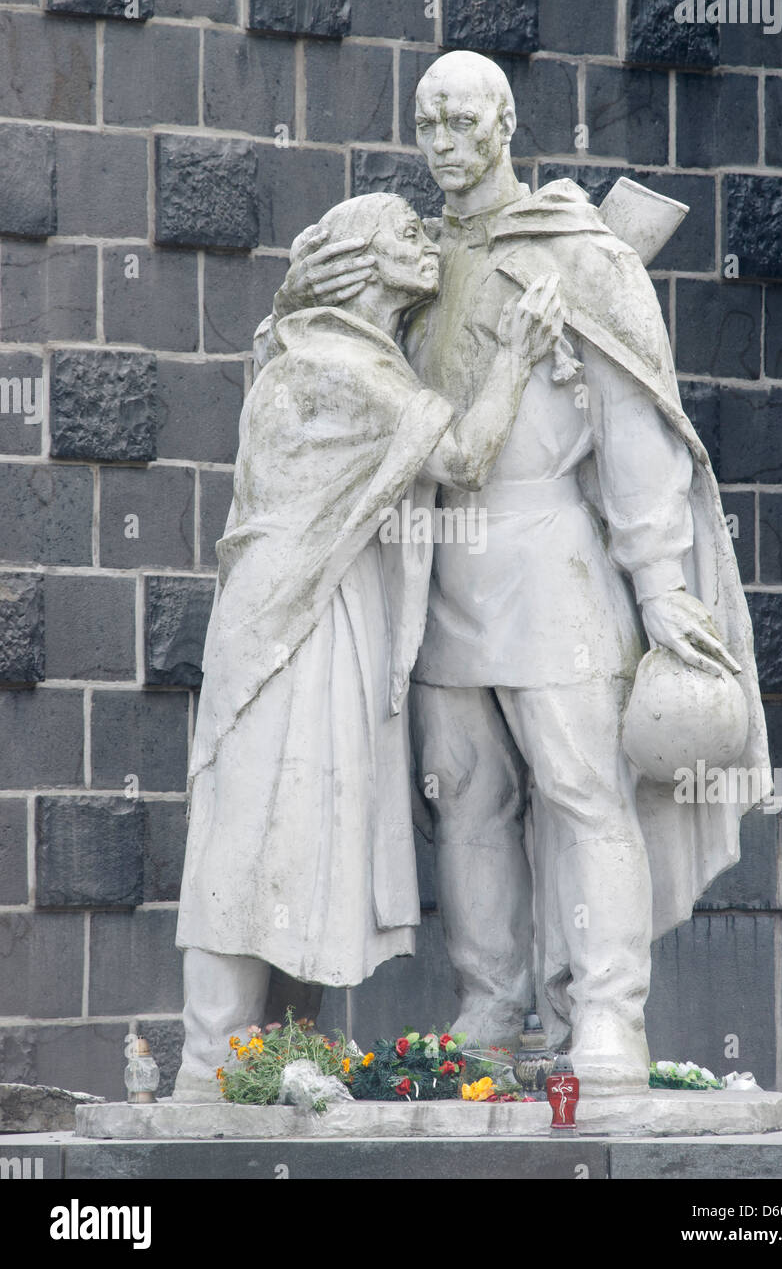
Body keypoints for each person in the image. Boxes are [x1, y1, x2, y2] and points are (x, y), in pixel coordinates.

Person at [273, 52, 771, 1093]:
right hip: (438, 557)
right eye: (426, 125)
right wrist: (298, 285)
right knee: (464, 794)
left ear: (504, 124)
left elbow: (636, 431)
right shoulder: (403, 254)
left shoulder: (575, 252)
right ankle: (489, 1011)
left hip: (550, 553)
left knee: (583, 786)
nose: (443, 145)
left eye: (461, 122)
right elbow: (316, 367)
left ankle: (603, 1014)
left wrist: (659, 581)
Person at [172, 191, 562, 1100]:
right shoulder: (343, 366)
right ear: (357, 262)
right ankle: (207, 1069)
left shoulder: (322, 350)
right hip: (295, 631)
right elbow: (463, 455)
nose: (425, 239)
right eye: (404, 231)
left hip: (320, 618)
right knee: (260, 830)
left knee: (307, 838)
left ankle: (263, 1065)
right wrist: (514, 351)